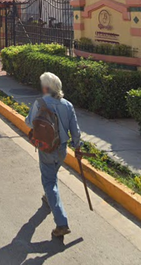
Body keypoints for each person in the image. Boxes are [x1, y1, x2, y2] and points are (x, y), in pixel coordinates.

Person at [25, 71, 82, 238]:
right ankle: (48, 196)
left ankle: (61, 223)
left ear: (46, 88)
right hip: (62, 150)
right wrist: (77, 147)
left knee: (49, 180)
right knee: (52, 175)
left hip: (46, 149)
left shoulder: (40, 103)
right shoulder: (68, 105)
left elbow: (29, 122)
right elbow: (75, 131)